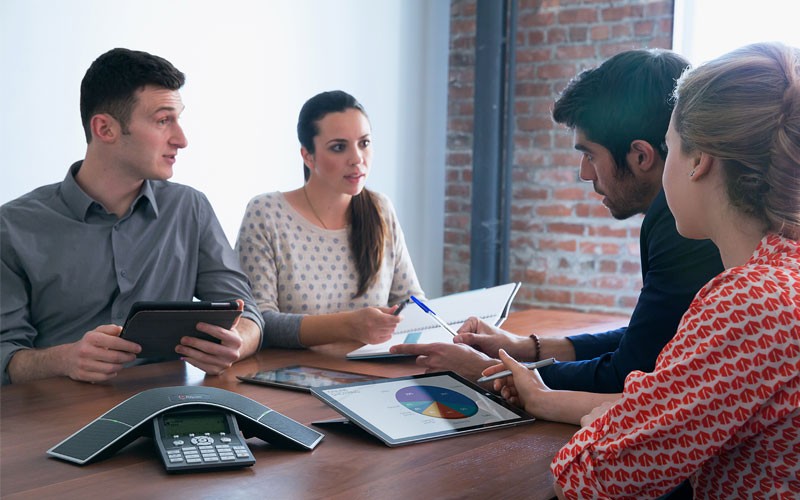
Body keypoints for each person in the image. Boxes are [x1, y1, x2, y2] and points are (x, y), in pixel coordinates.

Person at [489, 41, 800, 499]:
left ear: (699, 161)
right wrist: (608, 409)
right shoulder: (780, 277)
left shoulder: (749, 303)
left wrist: (617, 420)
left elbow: (590, 475)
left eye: (671, 147)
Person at [390, 49, 724, 393]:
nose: (583, 173)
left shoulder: (682, 227)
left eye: (590, 155)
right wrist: (527, 348)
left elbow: (627, 374)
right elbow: (651, 339)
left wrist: (488, 371)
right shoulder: (676, 219)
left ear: (641, 156)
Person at [0, 48, 264, 385]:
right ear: (106, 129)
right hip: (58, 416)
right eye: (162, 120)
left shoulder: (190, 208)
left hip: (167, 408)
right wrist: (63, 359)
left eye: (178, 118)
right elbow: (5, 355)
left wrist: (237, 342)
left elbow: (249, 315)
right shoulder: (12, 226)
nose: (181, 139)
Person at [236, 90, 423, 348]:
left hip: (371, 373)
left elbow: (411, 301)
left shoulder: (381, 209)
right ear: (307, 156)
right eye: (339, 147)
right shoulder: (266, 213)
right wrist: (348, 326)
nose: (357, 158)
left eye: (364, 143)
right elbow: (258, 322)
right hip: (286, 377)